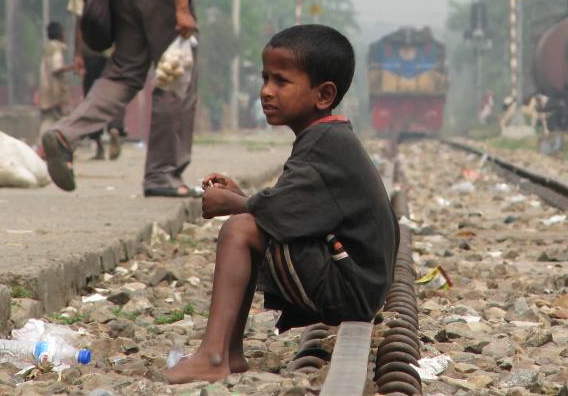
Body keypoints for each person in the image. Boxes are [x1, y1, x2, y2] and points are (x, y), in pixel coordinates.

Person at [164, 25, 400, 384]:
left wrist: (233, 204)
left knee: (240, 228)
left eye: (281, 82)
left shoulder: (323, 143)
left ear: (323, 95)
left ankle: (213, 354)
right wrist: (244, 197)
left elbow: (281, 212)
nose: (266, 92)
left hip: (351, 289)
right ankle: (229, 354)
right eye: (265, 79)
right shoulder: (327, 137)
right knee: (252, 221)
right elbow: (296, 206)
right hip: (358, 282)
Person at [42, 0, 199, 197]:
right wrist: (182, 8)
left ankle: (65, 134)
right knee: (175, 77)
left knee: (122, 73)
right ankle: (162, 174)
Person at [67, 0, 127, 161]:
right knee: (117, 89)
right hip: (116, 48)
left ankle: (98, 146)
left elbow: (79, 23)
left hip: (91, 46)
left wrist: (77, 54)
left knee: (92, 95)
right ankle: (115, 128)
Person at [37, 22, 75, 143]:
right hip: (56, 92)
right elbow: (56, 68)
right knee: (58, 120)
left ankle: (43, 145)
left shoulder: (47, 48)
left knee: (49, 120)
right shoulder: (57, 48)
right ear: (60, 34)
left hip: (46, 90)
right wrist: (72, 67)